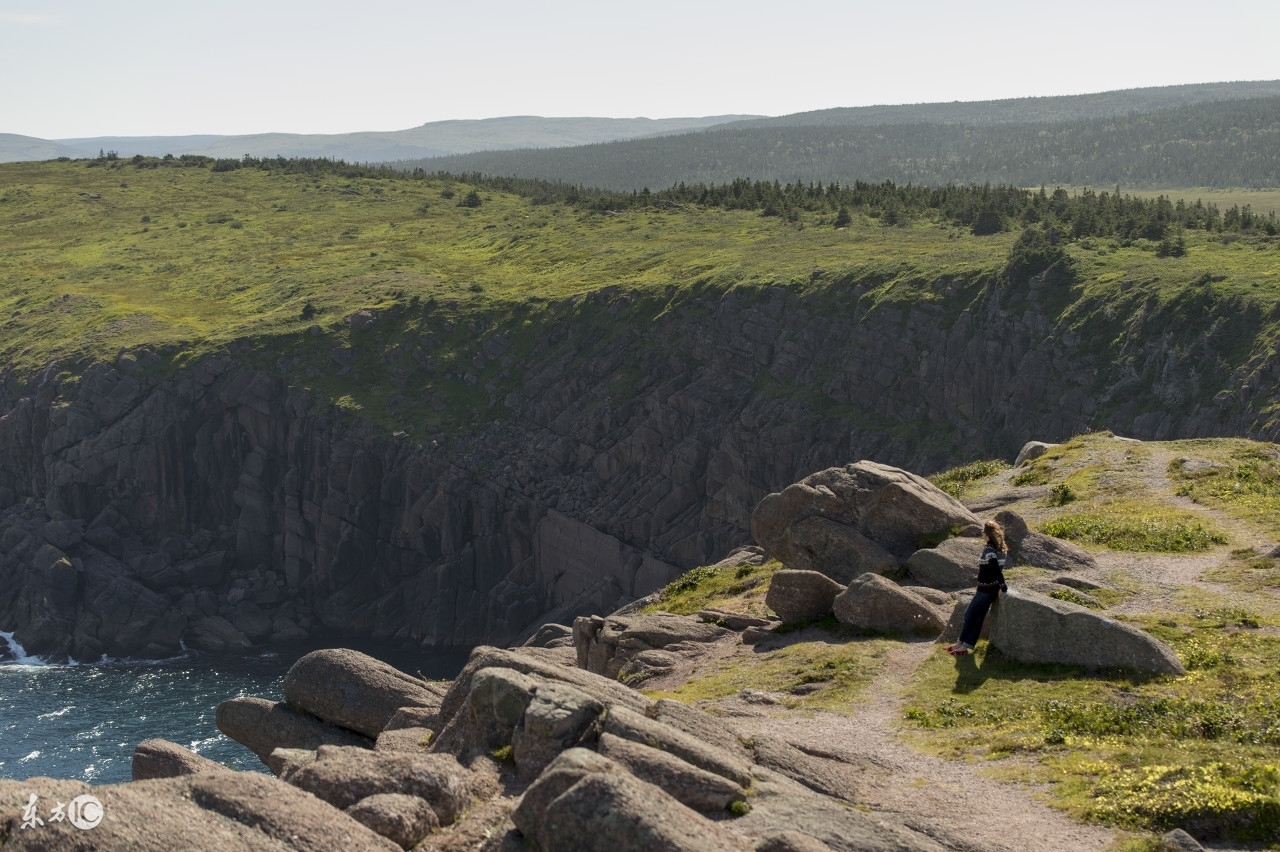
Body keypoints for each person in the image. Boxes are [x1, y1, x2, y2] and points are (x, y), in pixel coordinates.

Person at [947, 520, 1008, 656]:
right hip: (987, 589)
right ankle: (961, 644)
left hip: (986, 590)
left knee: (969, 615)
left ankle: (963, 646)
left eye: (983, 531)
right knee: (977, 617)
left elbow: (996, 570)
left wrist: (1003, 586)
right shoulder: (1000, 548)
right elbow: (997, 568)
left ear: (987, 534)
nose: (981, 533)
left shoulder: (990, 550)